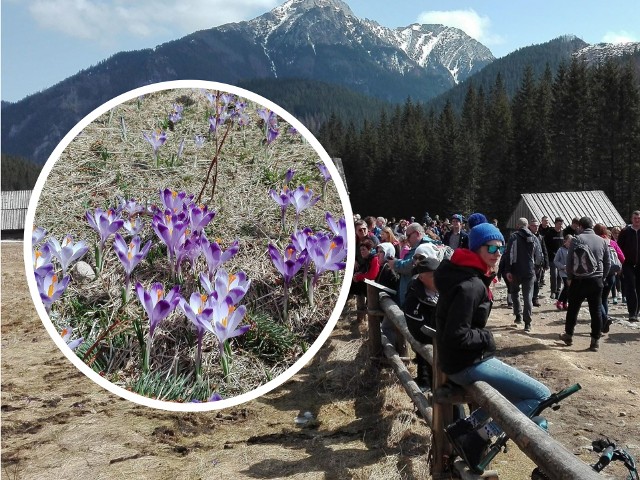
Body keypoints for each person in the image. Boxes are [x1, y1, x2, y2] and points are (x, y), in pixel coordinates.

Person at [435, 223, 551, 474]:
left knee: (516, 393)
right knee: (541, 395)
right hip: (466, 364)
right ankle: (479, 437)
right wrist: (487, 338)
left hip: (457, 361)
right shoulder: (472, 285)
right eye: (491, 247)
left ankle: (464, 427)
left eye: (501, 247)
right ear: (476, 249)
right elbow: (457, 335)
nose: (497, 252)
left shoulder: (461, 273)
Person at [558, 217, 610, 351]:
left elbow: (569, 262)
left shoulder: (576, 239)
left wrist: (569, 277)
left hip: (579, 280)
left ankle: (568, 335)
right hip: (596, 281)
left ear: (580, 226)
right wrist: (602, 277)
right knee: (596, 310)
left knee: (573, 309)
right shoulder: (603, 241)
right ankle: (595, 341)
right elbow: (608, 263)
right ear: (591, 226)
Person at [403, 256, 440, 391]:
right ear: (421, 278)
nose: (437, 278)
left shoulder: (445, 288)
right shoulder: (415, 296)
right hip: (431, 341)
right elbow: (417, 328)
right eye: (432, 276)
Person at [504, 218, 544, 332]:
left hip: (516, 271)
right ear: (527, 225)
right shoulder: (534, 237)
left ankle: (518, 316)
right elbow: (539, 255)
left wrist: (508, 270)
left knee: (515, 293)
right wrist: (536, 268)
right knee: (528, 297)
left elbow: (509, 254)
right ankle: (528, 324)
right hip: (529, 271)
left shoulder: (513, 237)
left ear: (518, 225)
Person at [388, 222, 432, 307]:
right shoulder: (422, 246)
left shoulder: (424, 247)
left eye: (408, 236)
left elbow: (410, 267)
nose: (406, 239)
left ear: (417, 234)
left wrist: (395, 263)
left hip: (416, 299)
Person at [594, 223, 625, 332]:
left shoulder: (596, 242)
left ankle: (604, 319)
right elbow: (622, 257)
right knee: (604, 299)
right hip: (611, 275)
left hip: (599, 275)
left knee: (597, 300)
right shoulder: (612, 242)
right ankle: (604, 322)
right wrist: (618, 269)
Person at [617, 210, 640, 322]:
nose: (637, 220)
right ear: (631, 219)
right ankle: (632, 313)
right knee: (631, 287)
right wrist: (620, 264)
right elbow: (619, 249)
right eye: (635, 218)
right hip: (628, 264)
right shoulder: (625, 231)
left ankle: (637, 311)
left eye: (639, 218)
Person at [528, 219, 548, 307]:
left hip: (538, 264)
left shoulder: (540, 237)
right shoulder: (527, 237)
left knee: (537, 282)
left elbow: (544, 250)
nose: (535, 227)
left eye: (536, 226)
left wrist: (546, 263)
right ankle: (528, 298)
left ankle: (535, 299)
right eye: (533, 226)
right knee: (530, 282)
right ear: (529, 226)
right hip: (529, 263)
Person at [544, 217, 565, 299]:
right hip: (552, 257)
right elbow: (545, 245)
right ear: (555, 223)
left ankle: (558, 290)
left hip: (561, 258)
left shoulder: (563, 233)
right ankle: (553, 291)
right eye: (559, 224)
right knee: (553, 274)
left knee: (560, 275)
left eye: (561, 224)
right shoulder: (550, 233)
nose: (560, 226)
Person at [553, 235, 573, 310]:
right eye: (569, 242)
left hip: (570, 272)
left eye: (571, 242)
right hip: (563, 271)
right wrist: (562, 266)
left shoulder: (572, 250)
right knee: (567, 286)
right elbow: (556, 261)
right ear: (565, 241)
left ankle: (565, 302)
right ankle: (559, 301)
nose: (570, 244)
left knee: (569, 287)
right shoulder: (560, 250)